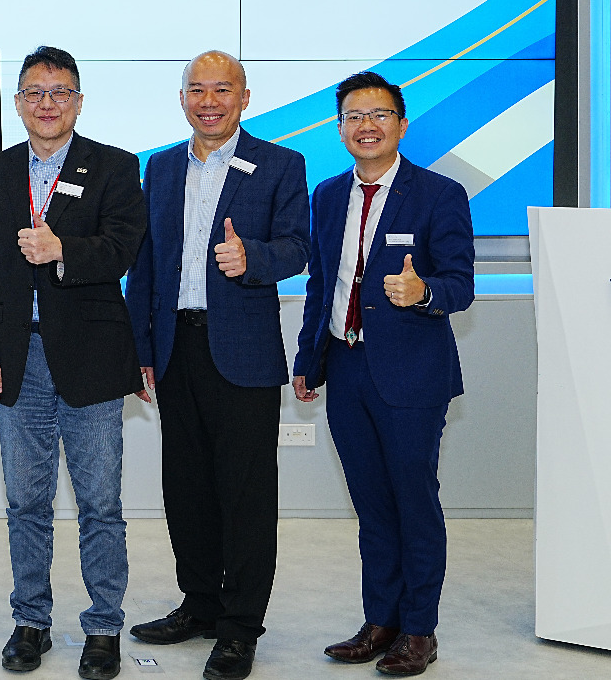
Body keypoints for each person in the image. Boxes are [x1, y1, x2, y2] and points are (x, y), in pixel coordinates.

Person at [0, 45, 147, 680]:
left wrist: (62, 249)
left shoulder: (114, 167)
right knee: (26, 503)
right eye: (36, 93)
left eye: (60, 92)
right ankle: (30, 621)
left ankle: (103, 628)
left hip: (91, 359)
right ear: (18, 103)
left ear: (79, 101)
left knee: (100, 504)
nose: (48, 103)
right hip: (18, 361)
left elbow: (123, 249)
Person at [124, 51, 309, 680]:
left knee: (246, 496)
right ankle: (200, 604)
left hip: (243, 353)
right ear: (182, 99)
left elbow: (298, 247)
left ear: (245, 97)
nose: (209, 102)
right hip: (175, 347)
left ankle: (239, 627)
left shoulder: (281, 164)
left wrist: (252, 257)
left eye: (222, 90)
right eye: (197, 90)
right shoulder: (161, 166)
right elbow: (146, 265)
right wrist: (141, 350)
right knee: (187, 489)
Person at [293, 71, 474, 677]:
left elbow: (461, 283)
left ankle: (419, 629)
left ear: (401, 124)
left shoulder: (438, 194)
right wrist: (308, 360)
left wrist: (425, 293)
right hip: (346, 367)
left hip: (412, 375)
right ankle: (381, 621)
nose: (365, 126)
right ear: (339, 128)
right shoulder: (327, 196)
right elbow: (322, 284)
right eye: (353, 116)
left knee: (413, 503)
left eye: (378, 115)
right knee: (371, 505)